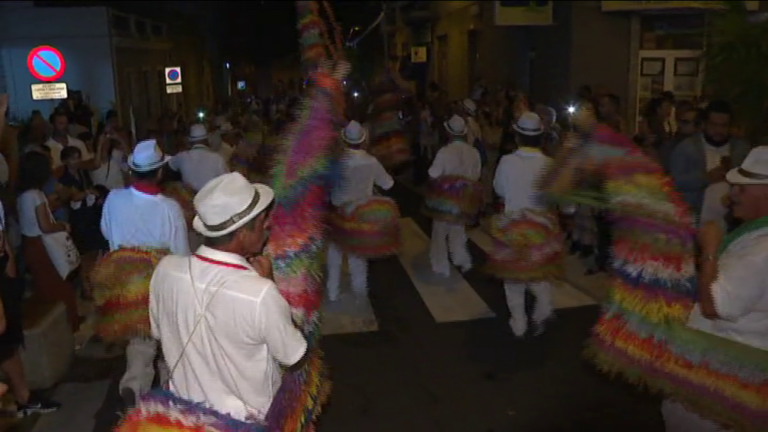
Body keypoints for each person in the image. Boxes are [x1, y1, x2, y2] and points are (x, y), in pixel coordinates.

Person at [150, 172, 307, 423]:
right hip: (245, 422)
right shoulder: (260, 293)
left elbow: (161, 334)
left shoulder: (165, 270)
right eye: (262, 220)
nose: (268, 225)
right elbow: (294, 356)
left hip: (185, 419)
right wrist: (270, 285)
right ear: (243, 232)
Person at [662, 146, 768, 431]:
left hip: (726, 371)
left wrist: (709, 249)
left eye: (741, 189)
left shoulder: (761, 250)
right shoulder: (756, 235)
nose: (731, 194)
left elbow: (714, 306)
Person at [97, 139, 190, 409]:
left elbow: (106, 231)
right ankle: (172, 390)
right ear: (160, 171)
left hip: (123, 280)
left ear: (132, 171)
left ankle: (133, 385)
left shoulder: (114, 198)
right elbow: (180, 252)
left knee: (140, 339)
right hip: (158, 278)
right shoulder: (169, 208)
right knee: (170, 338)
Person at [487, 112, 561, 336]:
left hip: (513, 226)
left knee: (513, 276)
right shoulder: (549, 164)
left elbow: (499, 190)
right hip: (541, 227)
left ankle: (518, 321)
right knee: (539, 272)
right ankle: (543, 308)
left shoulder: (507, 161)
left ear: (517, 136)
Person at [326, 121, 397, 301]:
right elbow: (388, 183)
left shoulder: (337, 161)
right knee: (358, 254)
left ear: (345, 140)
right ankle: (359, 291)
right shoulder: (371, 161)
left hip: (339, 212)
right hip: (361, 214)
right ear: (363, 140)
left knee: (335, 252)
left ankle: (332, 292)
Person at [669, 101, 750, 217]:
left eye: (724, 126)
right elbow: (674, 183)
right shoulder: (686, 148)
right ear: (704, 124)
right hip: (695, 216)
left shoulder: (741, 149)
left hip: (732, 219)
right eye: (714, 125)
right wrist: (707, 178)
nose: (718, 130)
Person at [424, 115, 482, 276]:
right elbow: (476, 175)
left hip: (445, 199)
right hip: (465, 197)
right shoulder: (473, 152)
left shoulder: (444, 152)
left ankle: (440, 266)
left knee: (440, 232)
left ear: (449, 133)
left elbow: (433, 174)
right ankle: (462, 259)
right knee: (459, 230)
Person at [168, 124, 229, 192]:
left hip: (188, 199)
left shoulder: (181, 156)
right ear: (207, 140)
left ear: (190, 141)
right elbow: (227, 181)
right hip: (210, 199)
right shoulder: (218, 158)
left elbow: (169, 167)